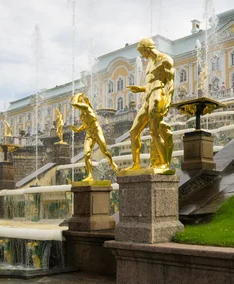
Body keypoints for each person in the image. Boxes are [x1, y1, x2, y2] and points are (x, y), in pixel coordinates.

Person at [124, 38, 174, 172]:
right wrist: (140, 89)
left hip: (158, 97)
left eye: (142, 52)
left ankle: (164, 164)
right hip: (148, 98)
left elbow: (170, 83)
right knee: (134, 131)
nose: (142, 56)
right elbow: (150, 84)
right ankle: (135, 164)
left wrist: (168, 102)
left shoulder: (165, 59)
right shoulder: (150, 64)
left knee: (154, 131)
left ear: (147, 49)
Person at [70, 93, 118, 181]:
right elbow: (85, 125)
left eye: (78, 101)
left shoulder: (86, 107)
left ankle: (112, 163)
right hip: (89, 134)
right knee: (87, 154)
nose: (75, 107)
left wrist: (77, 94)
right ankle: (89, 175)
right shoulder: (81, 113)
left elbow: (74, 103)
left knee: (105, 151)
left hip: (97, 131)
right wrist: (77, 130)